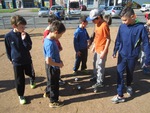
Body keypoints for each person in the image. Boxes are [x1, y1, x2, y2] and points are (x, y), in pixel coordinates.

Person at [111, 6, 150, 103]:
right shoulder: (122, 26)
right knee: (119, 72)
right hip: (122, 54)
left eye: (125, 20)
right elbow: (118, 39)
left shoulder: (141, 28)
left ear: (133, 16)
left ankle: (128, 85)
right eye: (122, 20)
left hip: (133, 56)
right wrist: (115, 50)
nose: (123, 22)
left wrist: (148, 59)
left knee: (130, 72)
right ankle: (120, 95)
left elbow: (146, 43)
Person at [4, 15, 36, 105]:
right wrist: (11, 59)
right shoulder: (8, 36)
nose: (23, 28)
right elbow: (8, 49)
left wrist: (24, 40)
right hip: (17, 62)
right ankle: (21, 95)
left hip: (27, 59)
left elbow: (29, 47)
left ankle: (32, 79)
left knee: (30, 72)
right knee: (19, 79)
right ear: (14, 26)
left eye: (24, 26)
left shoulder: (26, 35)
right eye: (21, 27)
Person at [86, 9, 111, 91]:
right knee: (95, 64)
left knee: (100, 66)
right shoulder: (97, 24)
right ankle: (96, 76)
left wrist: (104, 51)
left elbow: (108, 39)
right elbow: (96, 36)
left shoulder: (104, 25)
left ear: (99, 17)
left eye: (93, 20)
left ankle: (100, 82)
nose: (92, 21)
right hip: (97, 47)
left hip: (102, 49)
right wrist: (93, 45)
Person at [43, 20, 66, 108]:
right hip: (52, 66)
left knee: (50, 81)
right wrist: (58, 64)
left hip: (52, 65)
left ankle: (47, 92)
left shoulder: (50, 39)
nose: (61, 36)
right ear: (56, 32)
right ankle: (53, 101)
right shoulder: (50, 44)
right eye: (61, 34)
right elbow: (49, 61)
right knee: (54, 84)